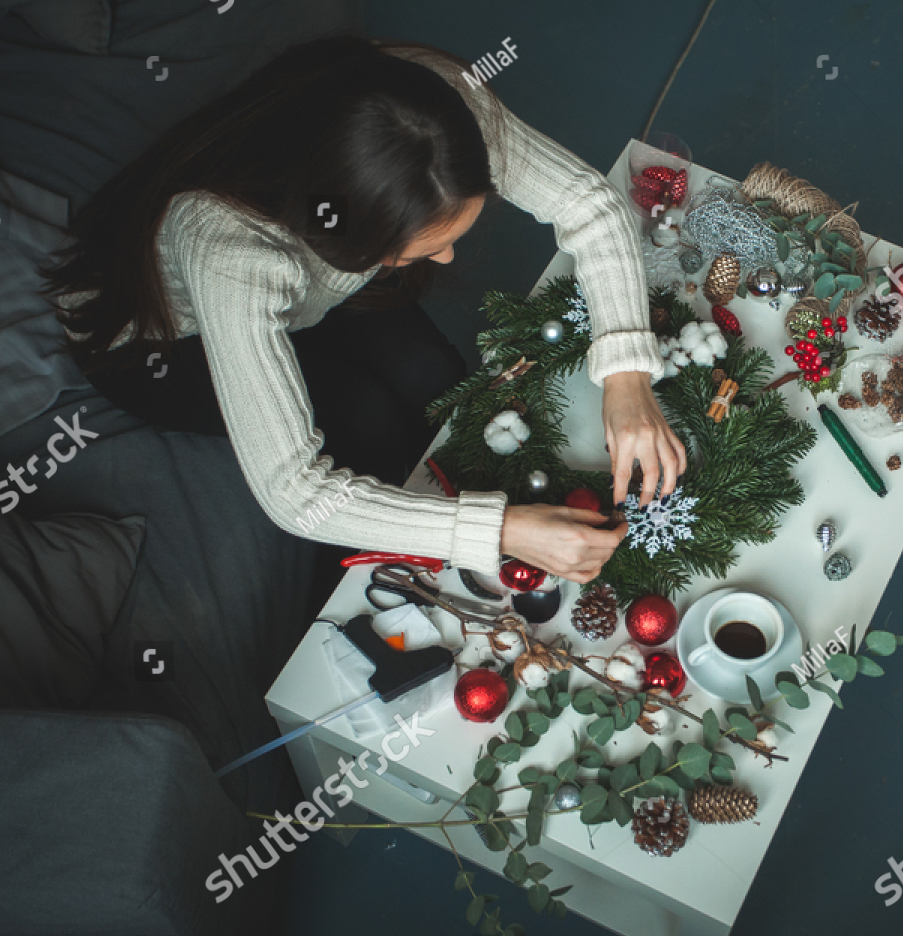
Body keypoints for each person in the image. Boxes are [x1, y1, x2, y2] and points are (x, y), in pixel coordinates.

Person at [42, 34, 685, 584]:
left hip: (322, 277)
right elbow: (295, 492)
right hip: (160, 344)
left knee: (433, 376)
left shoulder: (431, 111)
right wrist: (502, 531)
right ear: (356, 236)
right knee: (364, 421)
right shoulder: (229, 247)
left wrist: (627, 378)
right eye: (425, 248)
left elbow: (591, 207)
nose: (450, 261)